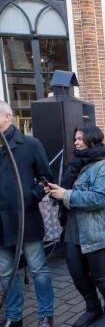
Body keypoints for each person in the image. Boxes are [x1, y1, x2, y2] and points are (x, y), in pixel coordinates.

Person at [47, 125, 105, 327]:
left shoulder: (103, 167)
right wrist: (57, 191)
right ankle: (92, 308)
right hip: (74, 227)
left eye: (80, 138)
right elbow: (69, 191)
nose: (76, 142)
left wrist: (66, 195)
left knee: (100, 275)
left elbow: (102, 198)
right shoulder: (77, 164)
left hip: (99, 229)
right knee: (78, 274)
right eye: (76, 138)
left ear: (92, 140)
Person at [0, 101, 54, 327]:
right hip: (0, 223)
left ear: (7, 117)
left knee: (38, 269)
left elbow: (46, 180)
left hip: (26, 219)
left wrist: (28, 197)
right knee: (5, 273)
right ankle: (14, 316)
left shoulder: (30, 145)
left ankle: (46, 314)